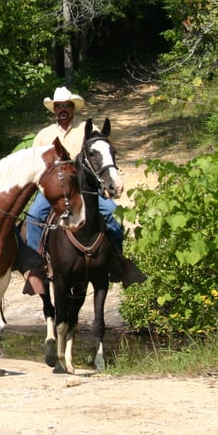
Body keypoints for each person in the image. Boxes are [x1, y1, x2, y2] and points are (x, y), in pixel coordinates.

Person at [23, 85, 142, 288]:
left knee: (113, 214)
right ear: (54, 109)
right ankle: (37, 267)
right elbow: (35, 163)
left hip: (85, 189)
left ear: (73, 108)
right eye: (58, 106)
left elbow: (102, 154)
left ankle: (117, 261)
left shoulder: (88, 130)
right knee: (34, 218)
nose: (63, 109)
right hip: (54, 190)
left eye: (67, 106)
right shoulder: (44, 135)